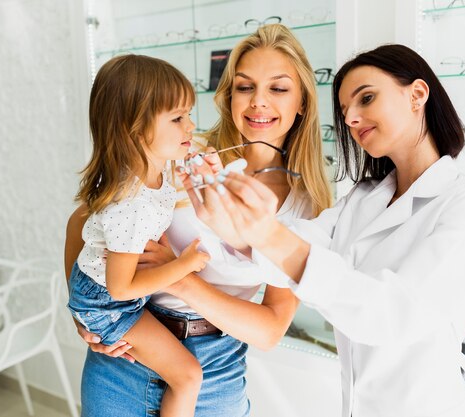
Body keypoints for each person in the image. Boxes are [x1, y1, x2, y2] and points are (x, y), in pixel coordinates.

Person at [182, 44, 465, 417]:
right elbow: (294, 248)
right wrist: (233, 229)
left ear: (416, 95)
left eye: (366, 98)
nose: (351, 118)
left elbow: (391, 314)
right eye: (346, 111)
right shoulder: (362, 199)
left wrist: (262, 233)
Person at [64, 24, 332, 417]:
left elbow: (271, 329)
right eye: (244, 86)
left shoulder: (306, 206)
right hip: (129, 352)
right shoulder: (183, 151)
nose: (258, 102)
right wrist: (84, 312)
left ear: (303, 102)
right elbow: (85, 219)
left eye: (278, 88)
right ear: (228, 95)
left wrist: (180, 277)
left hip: (214, 371)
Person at [67, 54, 211, 417]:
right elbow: (120, 288)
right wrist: (184, 265)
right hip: (108, 303)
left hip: (109, 294)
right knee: (188, 377)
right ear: (135, 130)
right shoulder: (131, 204)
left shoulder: (157, 173)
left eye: (188, 114)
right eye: (177, 118)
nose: (190, 126)